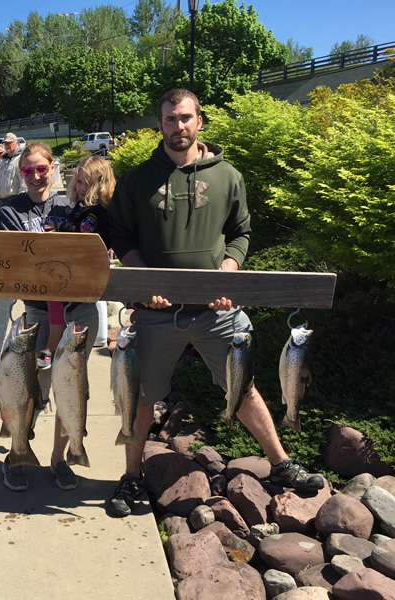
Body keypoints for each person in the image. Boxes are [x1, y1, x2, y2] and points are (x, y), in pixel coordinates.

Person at [105, 88, 324, 518]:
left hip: (216, 310)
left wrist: (229, 267)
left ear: (199, 121)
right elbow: (121, 235)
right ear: (160, 125)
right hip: (154, 313)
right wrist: (145, 278)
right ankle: (132, 478)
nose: (178, 126)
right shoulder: (136, 179)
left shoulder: (228, 176)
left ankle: (280, 464)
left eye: (185, 118)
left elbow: (240, 232)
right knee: (141, 397)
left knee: (243, 388)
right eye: (170, 119)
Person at [0, 142, 99, 492]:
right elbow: (20, 262)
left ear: (53, 168)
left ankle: (59, 458)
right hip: (38, 312)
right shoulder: (9, 211)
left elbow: (94, 246)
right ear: (20, 173)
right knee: (27, 389)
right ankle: (16, 452)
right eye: (28, 170)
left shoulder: (72, 204)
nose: (36, 176)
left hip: (80, 310)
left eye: (42, 169)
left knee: (69, 392)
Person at [38, 155, 115, 370]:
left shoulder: (97, 212)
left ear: (101, 185)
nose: (82, 187)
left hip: (85, 268)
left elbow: (84, 236)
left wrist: (59, 230)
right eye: (79, 182)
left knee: (53, 291)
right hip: (79, 267)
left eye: (88, 183)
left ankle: (52, 344)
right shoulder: (83, 207)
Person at [0, 132, 26, 228]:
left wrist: (21, 200)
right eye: (5, 143)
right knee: (0, 228)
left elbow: (23, 181)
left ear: (16, 143)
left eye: (9, 143)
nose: (7, 146)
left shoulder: (21, 159)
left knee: (12, 227)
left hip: (14, 200)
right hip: (0, 200)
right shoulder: (3, 159)